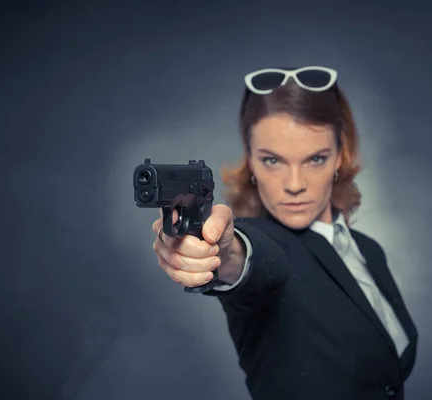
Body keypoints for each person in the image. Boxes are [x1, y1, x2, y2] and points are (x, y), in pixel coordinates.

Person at [151, 66, 418, 400]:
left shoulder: (369, 251)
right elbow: (251, 257)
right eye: (273, 161)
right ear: (250, 160)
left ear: (340, 156)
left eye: (316, 159)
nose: (294, 184)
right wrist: (223, 251)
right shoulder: (262, 241)